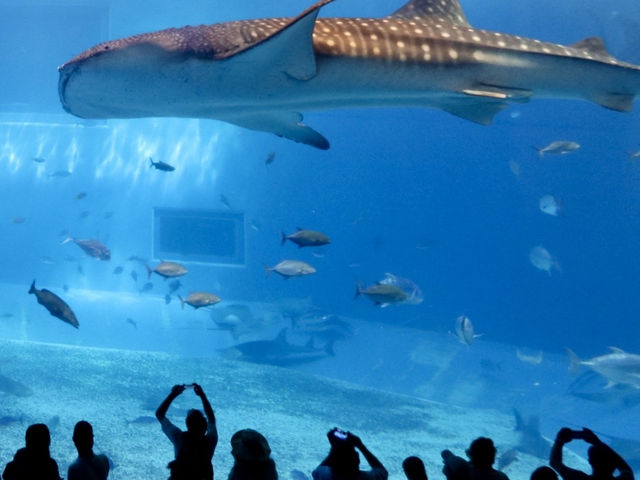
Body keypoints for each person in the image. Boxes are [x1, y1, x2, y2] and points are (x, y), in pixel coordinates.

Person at [156, 383, 218, 480]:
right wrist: (202, 395)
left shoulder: (179, 437)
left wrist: (173, 394)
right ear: (205, 426)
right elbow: (211, 419)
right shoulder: (210, 441)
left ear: (187, 424)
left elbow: (160, 414)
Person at [550, 427, 634, 480]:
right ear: (613, 463)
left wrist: (559, 441)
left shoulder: (578, 478)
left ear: (590, 461)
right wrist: (597, 442)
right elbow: (626, 468)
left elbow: (555, 463)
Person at [312, 427, 388, 480]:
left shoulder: (324, 475)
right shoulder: (366, 478)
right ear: (357, 460)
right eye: (356, 453)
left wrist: (335, 447)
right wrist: (360, 445)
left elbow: (316, 471)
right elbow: (382, 472)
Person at [441, 437, 510, 480]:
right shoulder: (502, 478)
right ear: (493, 457)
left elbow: (446, 454)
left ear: (470, 454)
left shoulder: (461, 471)